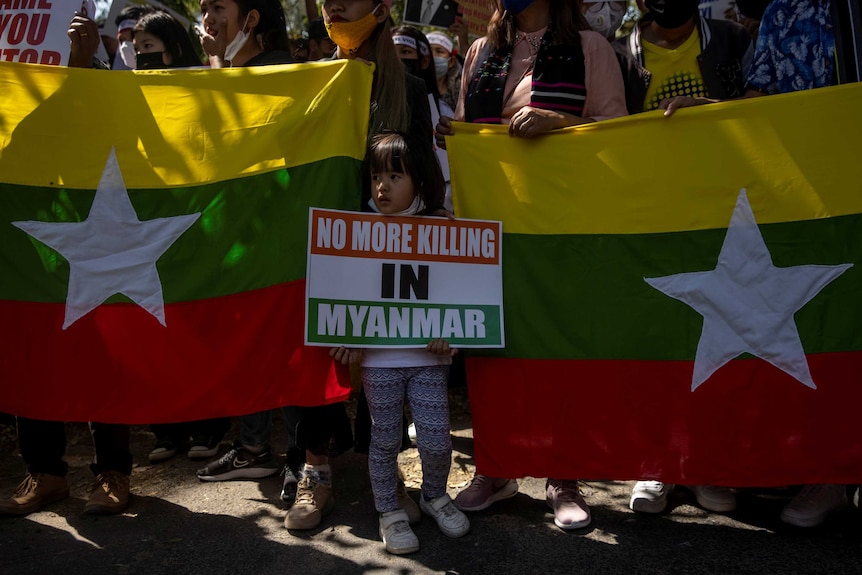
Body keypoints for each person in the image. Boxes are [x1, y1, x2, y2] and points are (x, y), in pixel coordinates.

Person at [659, 0, 861, 528]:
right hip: (805, 199)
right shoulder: (784, 12)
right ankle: (830, 474)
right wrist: (714, 112)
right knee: (829, 325)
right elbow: (757, 101)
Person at [436, 0, 627, 530]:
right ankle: (495, 469)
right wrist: (456, 137)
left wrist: (560, 122)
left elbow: (617, 135)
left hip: (560, 231)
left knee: (556, 346)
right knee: (492, 347)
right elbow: (476, 135)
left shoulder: (591, 49)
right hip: (491, 233)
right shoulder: (480, 52)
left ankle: (562, 475)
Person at [283, 0, 435, 532]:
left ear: (381, 8)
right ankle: (316, 469)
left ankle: (384, 471)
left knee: (386, 361)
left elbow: (426, 177)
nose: (335, 6)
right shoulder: (308, 81)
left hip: (387, 253)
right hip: (321, 249)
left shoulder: (410, 90)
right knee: (316, 351)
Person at [329, 131, 466, 555]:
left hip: (428, 361)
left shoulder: (442, 228)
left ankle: (434, 495)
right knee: (384, 440)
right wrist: (344, 338)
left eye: (393, 175)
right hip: (379, 362)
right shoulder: (357, 230)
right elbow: (346, 291)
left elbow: (460, 291)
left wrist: (454, 339)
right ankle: (388, 510)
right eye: (374, 177)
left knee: (437, 439)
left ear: (420, 179)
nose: (381, 186)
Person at [193, 0, 302, 504]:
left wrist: (218, 71)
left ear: (252, 20)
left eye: (218, 6)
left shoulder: (280, 71)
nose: (206, 16)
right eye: (201, 6)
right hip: (243, 234)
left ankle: (305, 458)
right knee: (253, 338)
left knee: (283, 341)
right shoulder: (229, 68)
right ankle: (256, 447)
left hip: (279, 236)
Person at [612, 0, 751, 115]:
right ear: (640, 2)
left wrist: (705, 106)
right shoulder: (617, 57)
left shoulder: (734, 38)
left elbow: (760, 102)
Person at [197, 0, 293, 68]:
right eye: (204, 10)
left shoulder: (277, 64)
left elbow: (224, 95)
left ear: (251, 19)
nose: (207, 19)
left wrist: (216, 57)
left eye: (218, 7)